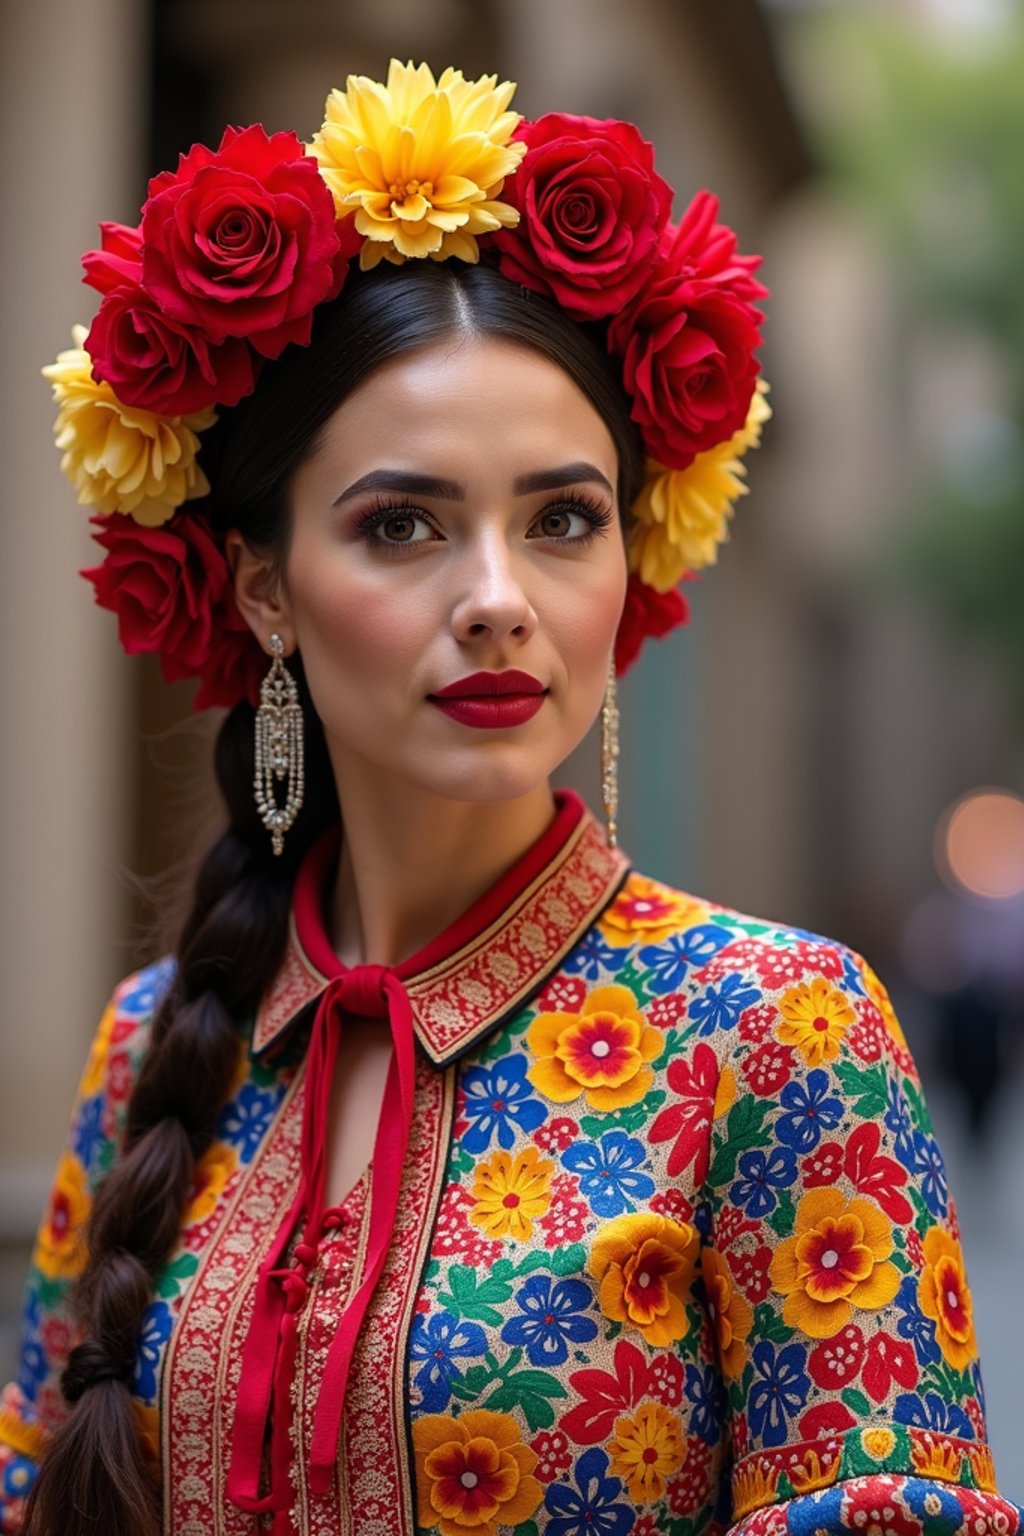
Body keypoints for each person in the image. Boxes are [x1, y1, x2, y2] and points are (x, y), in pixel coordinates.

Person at [1, 59, 1017, 1536]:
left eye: (561, 520)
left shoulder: (778, 1036)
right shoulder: (153, 1050)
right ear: (266, 590)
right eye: (403, 524)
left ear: (630, 560)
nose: (497, 600)